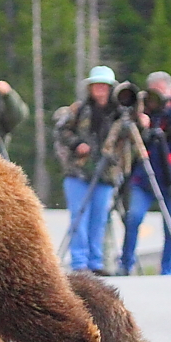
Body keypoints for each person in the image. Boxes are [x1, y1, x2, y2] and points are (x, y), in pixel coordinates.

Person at [119, 71, 171, 275]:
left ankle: (167, 270)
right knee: (133, 218)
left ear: (170, 90)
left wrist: (169, 110)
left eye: (161, 91)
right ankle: (126, 264)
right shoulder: (145, 108)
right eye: (154, 91)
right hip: (144, 176)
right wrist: (141, 120)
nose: (157, 96)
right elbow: (129, 133)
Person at [55, 65, 126, 274]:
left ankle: (96, 262)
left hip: (105, 173)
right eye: (96, 85)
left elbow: (130, 136)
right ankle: (79, 263)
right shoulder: (78, 110)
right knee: (79, 216)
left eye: (104, 86)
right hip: (78, 171)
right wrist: (77, 144)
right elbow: (61, 130)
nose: (100, 89)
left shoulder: (119, 114)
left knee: (99, 218)